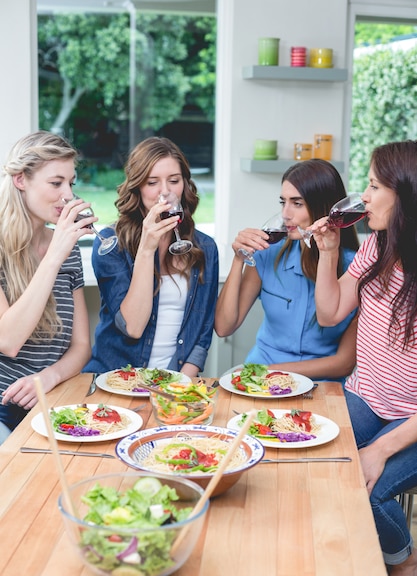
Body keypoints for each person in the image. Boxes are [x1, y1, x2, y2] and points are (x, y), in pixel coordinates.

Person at [311, 140, 417, 576]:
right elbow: (330, 312)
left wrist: (381, 448)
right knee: (313, 460)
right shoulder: (376, 244)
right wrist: (329, 251)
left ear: (406, 195)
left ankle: (405, 562)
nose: (364, 197)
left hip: (412, 420)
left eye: (374, 186)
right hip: (366, 397)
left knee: (364, 486)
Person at [84, 137, 219, 378]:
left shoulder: (205, 247)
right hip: (116, 379)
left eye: (174, 181)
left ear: (185, 185)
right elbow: (133, 328)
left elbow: (204, 331)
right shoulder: (110, 244)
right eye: (152, 182)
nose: (165, 191)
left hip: (175, 380)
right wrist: (147, 249)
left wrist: (181, 383)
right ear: (137, 187)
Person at [215, 159, 359, 381]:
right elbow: (224, 327)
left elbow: (344, 363)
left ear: (324, 208)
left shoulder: (356, 269)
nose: (285, 213)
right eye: (283, 202)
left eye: (297, 203)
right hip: (259, 378)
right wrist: (238, 259)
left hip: (319, 384)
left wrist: (272, 371)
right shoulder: (267, 254)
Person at [0, 130, 94, 444]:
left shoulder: (67, 248)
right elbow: (8, 340)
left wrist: (47, 378)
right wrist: (54, 255)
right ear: (20, 180)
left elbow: (81, 346)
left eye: (71, 183)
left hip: (51, 398)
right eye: (56, 183)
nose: (68, 195)